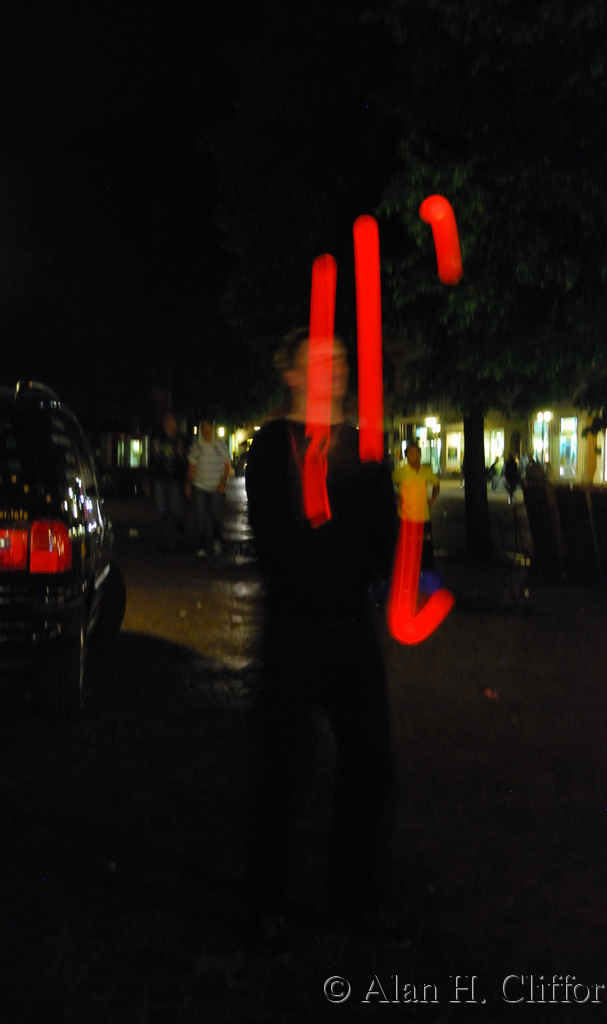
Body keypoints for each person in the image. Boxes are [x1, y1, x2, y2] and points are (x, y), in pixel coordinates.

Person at [244, 327, 397, 945]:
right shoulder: (271, 446)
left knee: (370, 764)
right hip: (294, 628)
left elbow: (382, 538)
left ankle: (353, 897)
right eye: (320, 359)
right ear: (291, 372)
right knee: (281, 767)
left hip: (350, 628)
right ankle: (267, 901)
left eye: (340, 358)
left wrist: (401, 524)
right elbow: (276, 541)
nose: (335, 367)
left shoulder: (364, 447)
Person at [185, 419, 231, 556]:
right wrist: (188, 484)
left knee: (217, 516)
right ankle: (202, 544)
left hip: (216, 486)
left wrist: (222, 483)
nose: (205, 431)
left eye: (208, 428)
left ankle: (216, 540)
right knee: (200, 517)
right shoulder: (196, 446)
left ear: (212, 429)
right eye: (203, 428)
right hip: (199, 486)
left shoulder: (220, 445)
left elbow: (227, 466)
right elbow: (192, 467)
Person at [392, 445, 440, 571]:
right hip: (406, 517)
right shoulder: (399, 472)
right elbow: (386, 486)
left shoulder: (427, 471)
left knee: (425, 547)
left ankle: (426, 571)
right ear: (406, 456)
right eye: (411, 453)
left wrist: (433, 499)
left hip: (424, 517)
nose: (415, 456)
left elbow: (436, 484)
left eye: (417, 453)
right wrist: (395, 499)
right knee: (407, 547)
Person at [149, 412, 187, 551]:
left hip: (175, 479)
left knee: (175, 508)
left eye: (171, 423)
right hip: (160, 478)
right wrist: (149, 479)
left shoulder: (180, 439)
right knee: (162, 508)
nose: (169, 425)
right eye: (166, 423)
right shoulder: (158, 438)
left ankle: (180, 533)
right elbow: (153, 458)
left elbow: (184, 460)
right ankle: (165, 538)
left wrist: (185, 479)